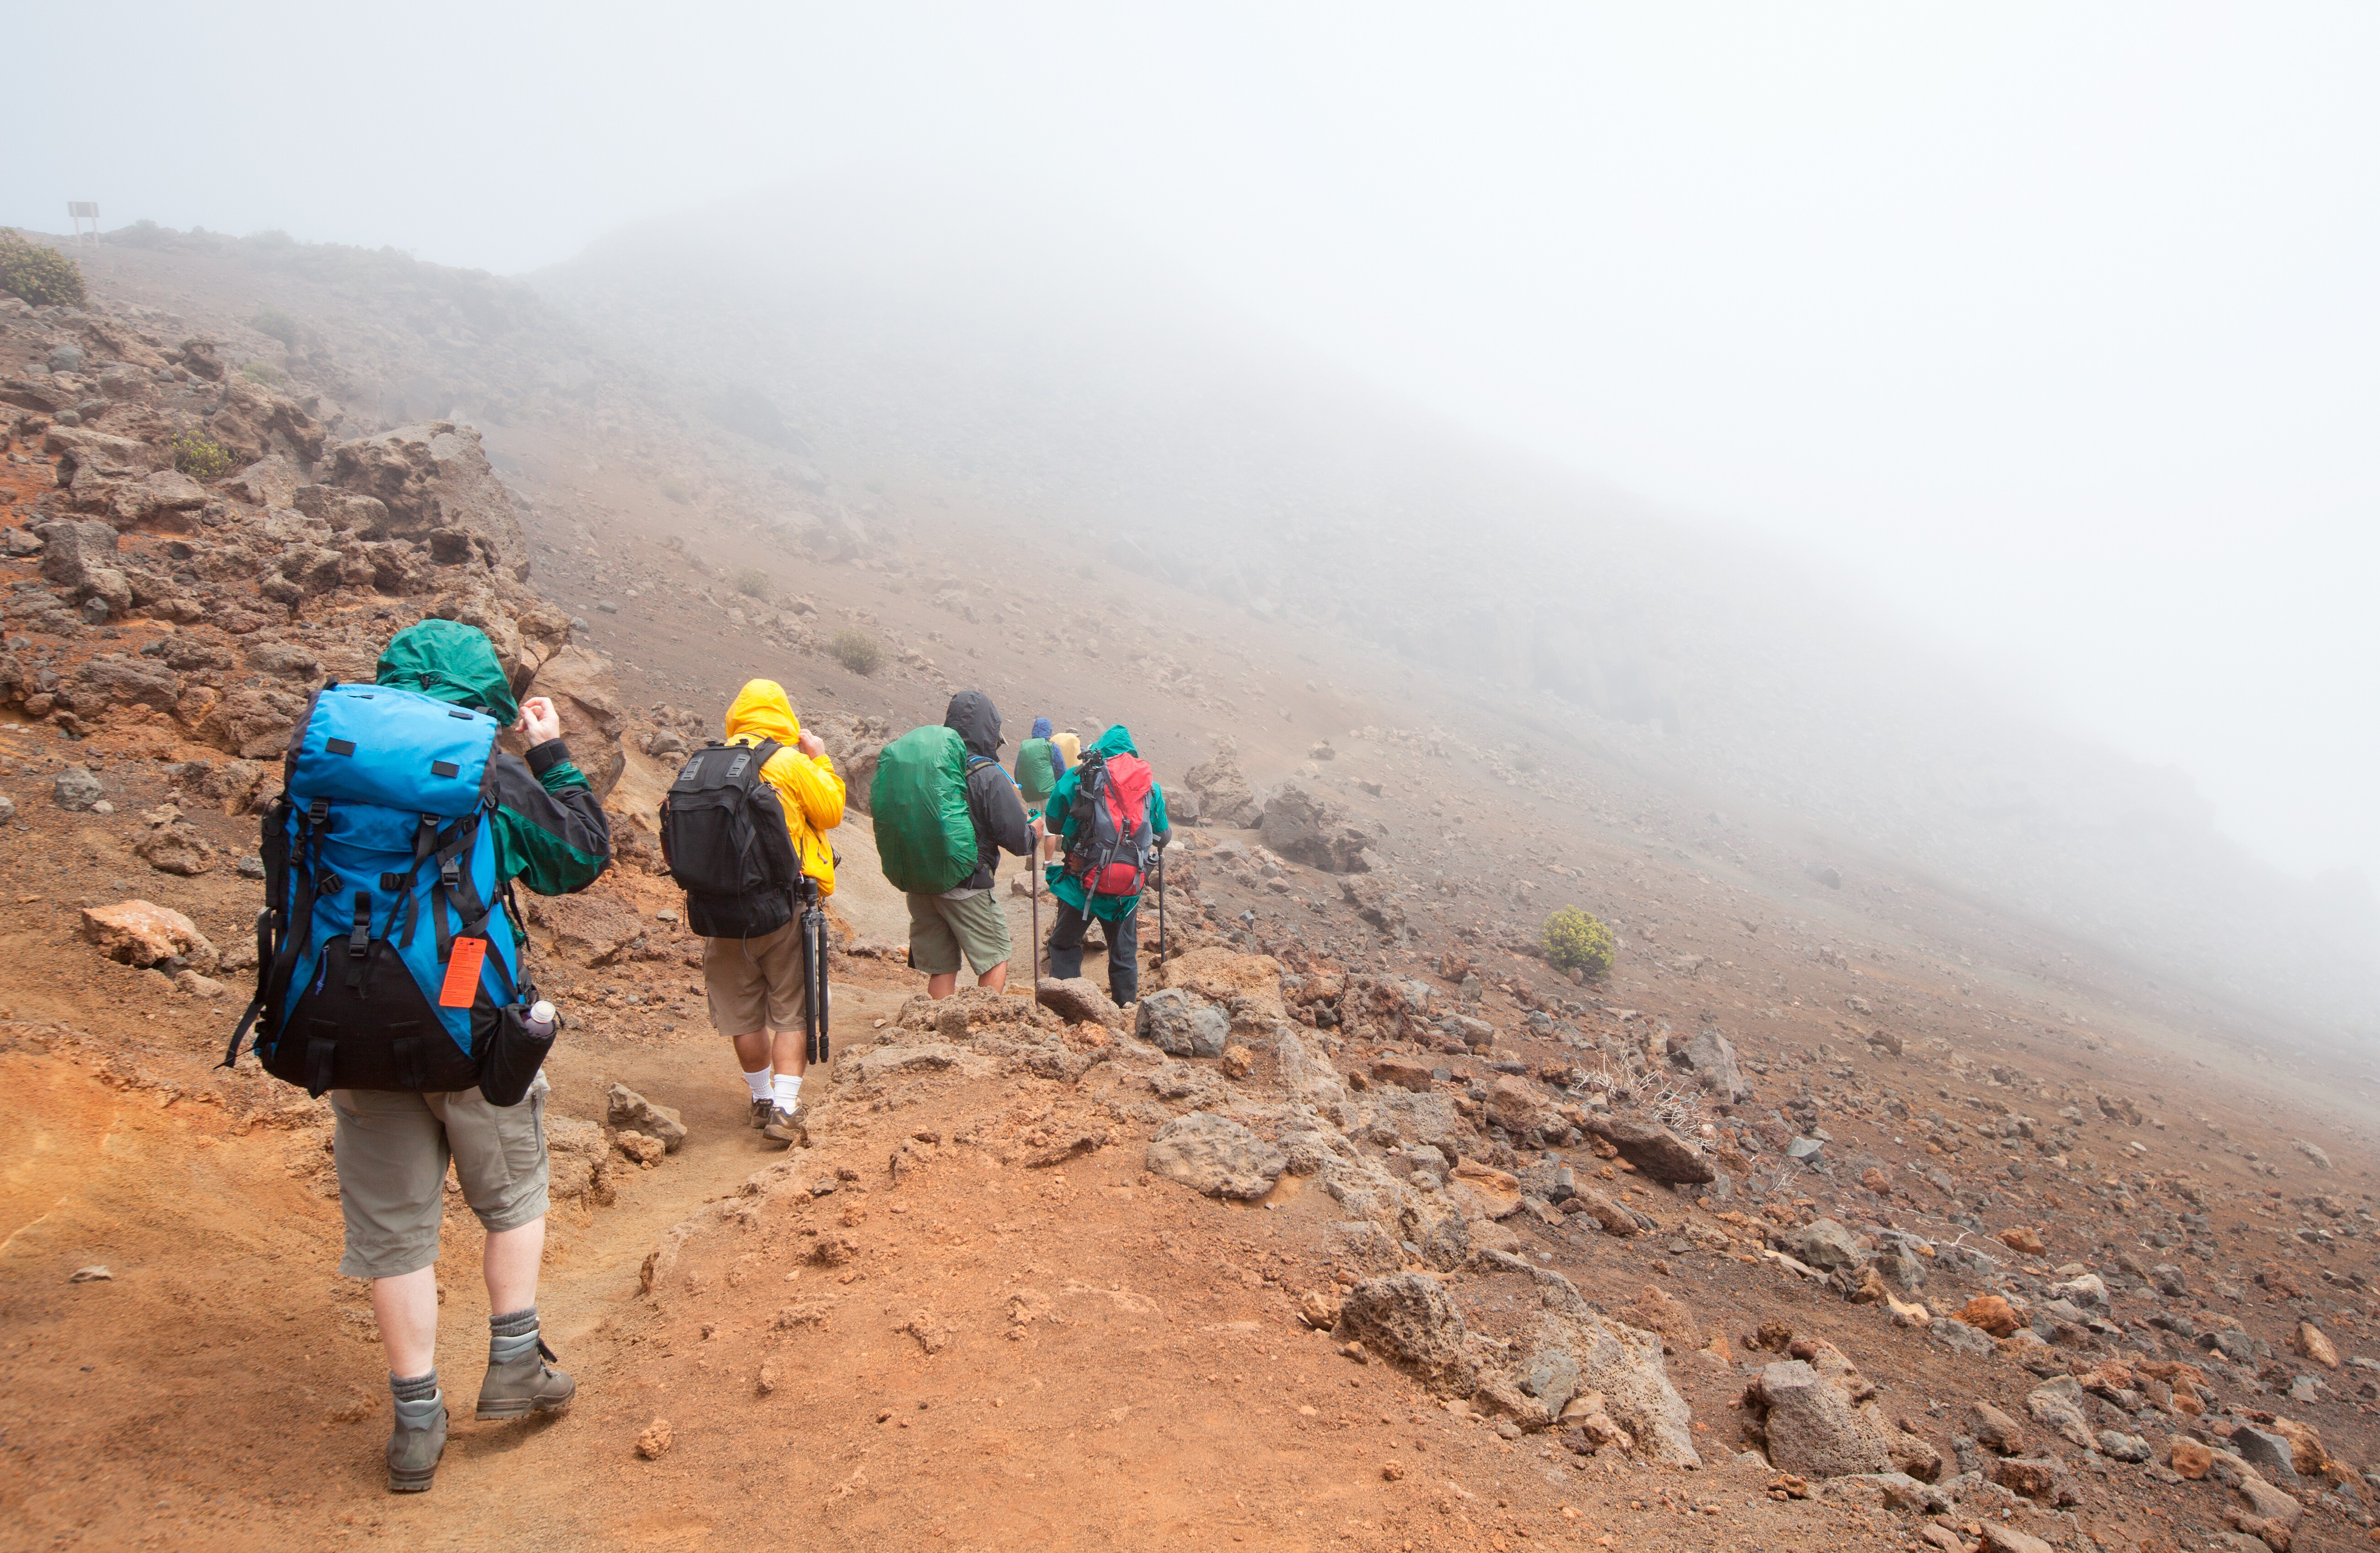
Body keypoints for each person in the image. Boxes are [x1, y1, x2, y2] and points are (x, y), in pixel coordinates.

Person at [329, 621, 611, 1492]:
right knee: (513, 1192)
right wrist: (550, 752)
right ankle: (515, 1359)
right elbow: (579, 855)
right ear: (485, 698)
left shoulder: (332, 757)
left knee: (393, 1231)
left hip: (350, 1028)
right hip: (473, 1030)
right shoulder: (483, 769)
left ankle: (416, 1422)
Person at [698, 679, 844, 1142]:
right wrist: (819, 758)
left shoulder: (702, 763)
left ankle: (760, 1099)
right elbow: (831, 810)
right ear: (784, 717)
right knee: (792, 1011)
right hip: (784, 907)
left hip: (719, 913)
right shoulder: (788, 762)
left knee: (743, 1015)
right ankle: (784, 1108)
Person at [909, 690, 1036, 997]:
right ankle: (981, 1020)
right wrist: (1035, 831)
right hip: (965, 882)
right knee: (995, 956)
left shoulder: (930, 763)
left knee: (942, 966)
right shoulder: (987, 774)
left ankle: (935, 1024)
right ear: (989, 731)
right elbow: (1019, 840)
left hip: (921, 882)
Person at [1044, 723, 1169, 1006]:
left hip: (1080, 884)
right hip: (1126, 890)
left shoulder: (1079, 777)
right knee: (1123, 954)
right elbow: (1164, 837)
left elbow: (1053, 823)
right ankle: (1126, 1010)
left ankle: (1067, 1010)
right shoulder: (1151, 788)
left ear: (1101, 749)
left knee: (1064, 944)